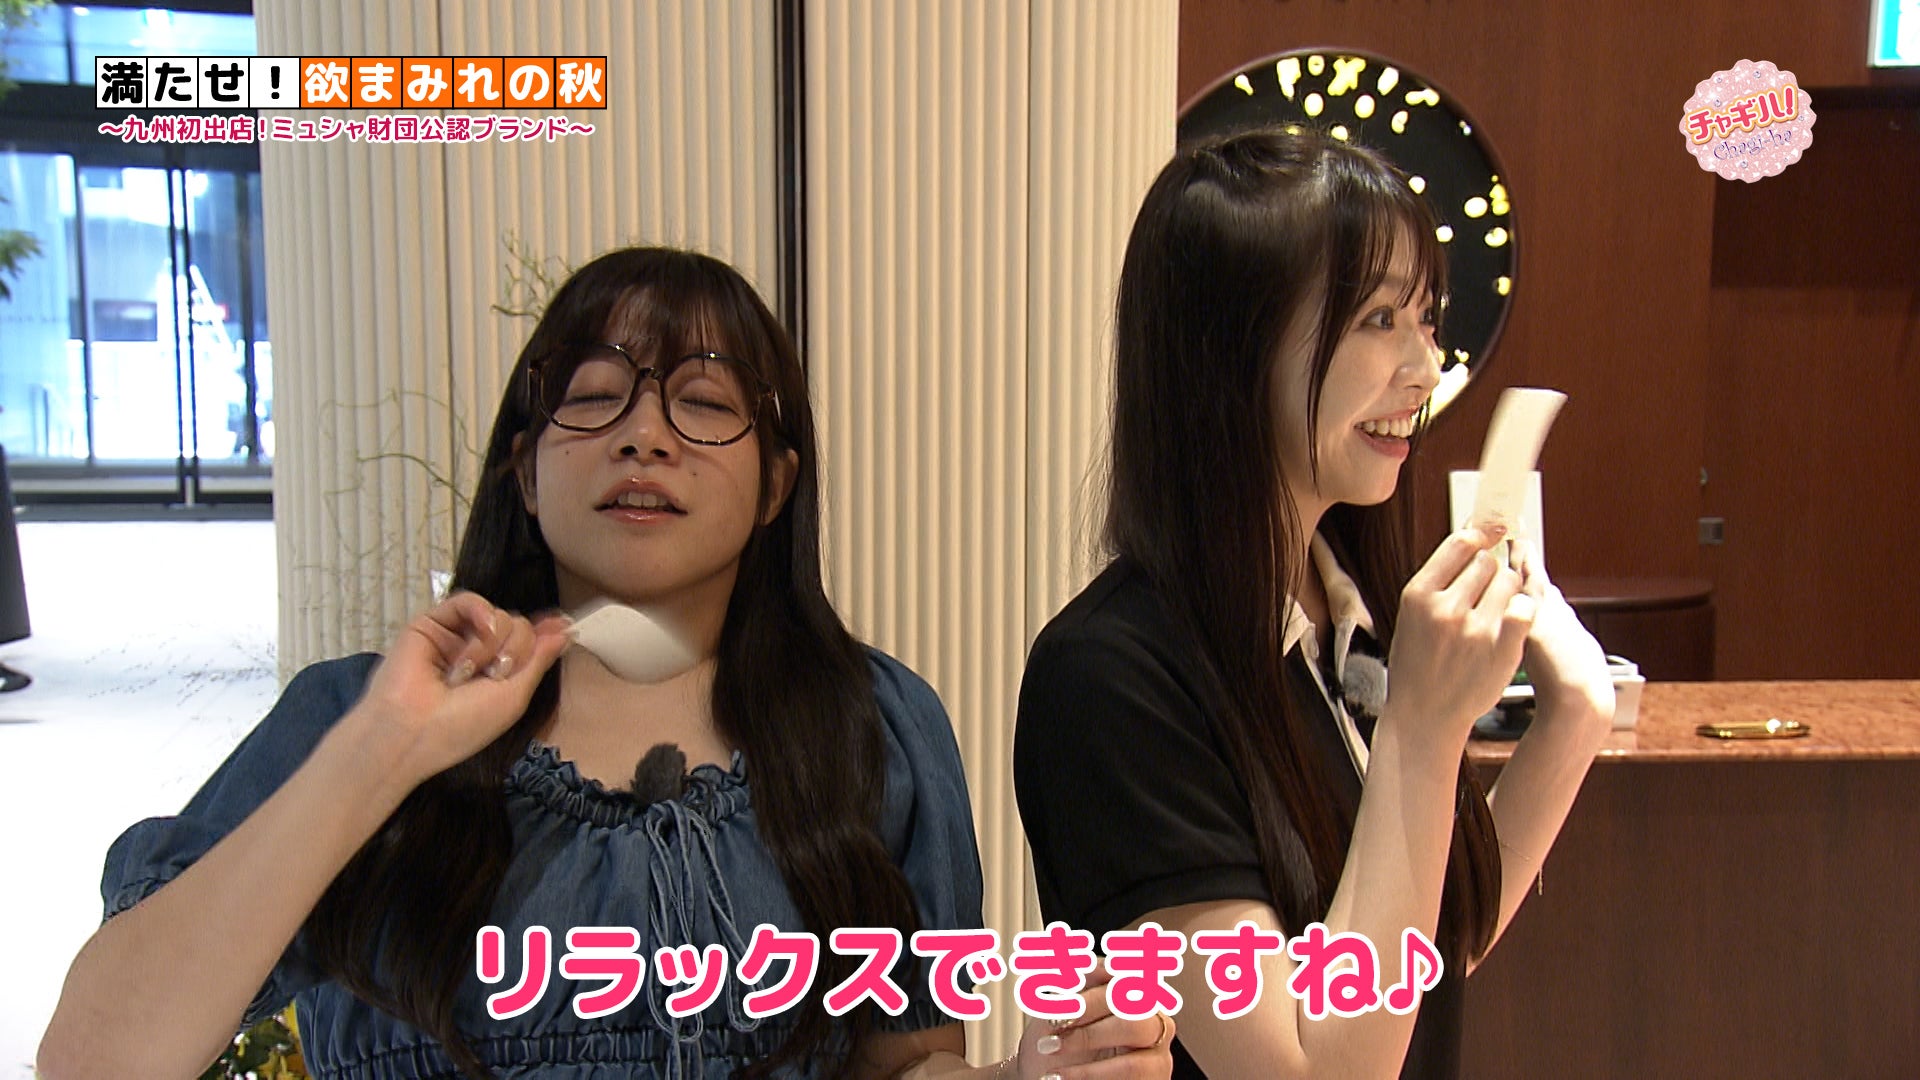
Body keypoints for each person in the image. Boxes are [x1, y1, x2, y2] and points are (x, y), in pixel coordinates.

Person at [40, 247, 1174, 1080]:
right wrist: (381, 751)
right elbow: (96, 1057)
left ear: (777, 484)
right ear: (526, 473)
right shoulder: (356, 717)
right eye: (594, 399)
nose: (645, 434)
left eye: (703, 402)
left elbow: (904, 1065)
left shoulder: (875, 726)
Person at [1013, 128, 1616, 1079]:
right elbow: (1305, 1070)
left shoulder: (1351, 614)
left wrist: (1574, 720)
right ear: (1233, 347)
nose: (1424, 370)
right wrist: (1422, 730)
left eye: (1426, 318)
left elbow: (1430, 948)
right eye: (1379, 319)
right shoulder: (1109, 678)